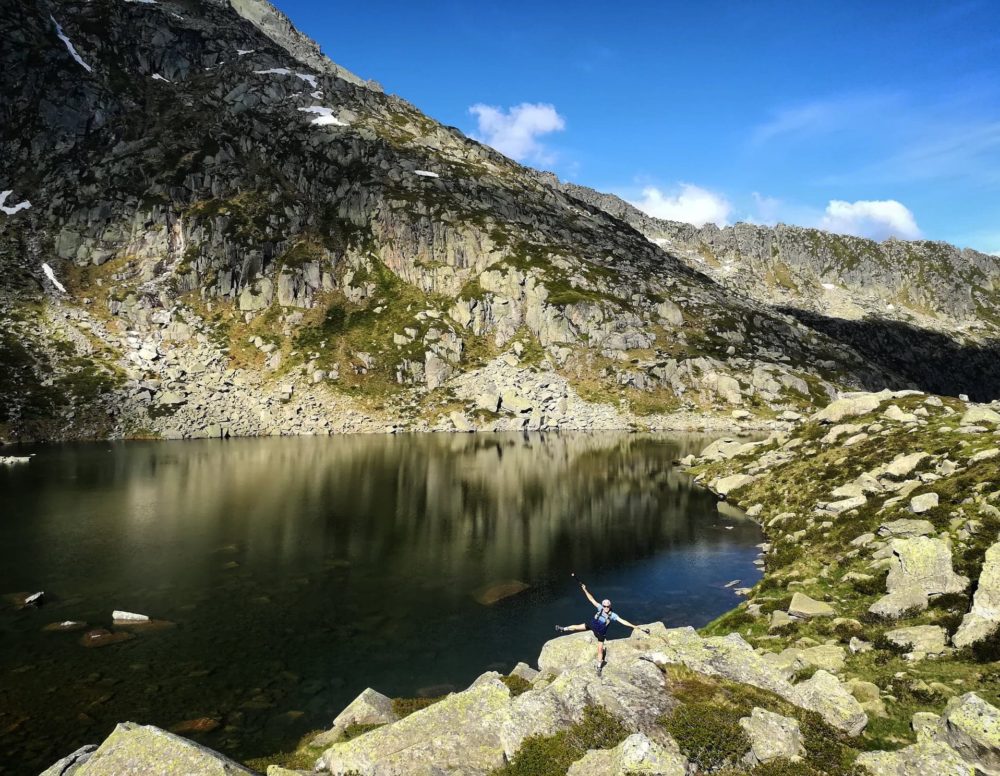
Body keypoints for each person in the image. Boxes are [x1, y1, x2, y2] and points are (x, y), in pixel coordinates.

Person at [555, 582, 651, 672]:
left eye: (607, 606)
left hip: (601, 632)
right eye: (604, 606)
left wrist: (634, 626)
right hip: (593, 625)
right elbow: (591, 599)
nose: (605, 608)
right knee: (577, 627)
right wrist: (585, 590)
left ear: (610, 606)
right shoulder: (600, 608)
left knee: (600, 649)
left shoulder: (613, 615)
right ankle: (563, 629)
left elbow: (623, 621)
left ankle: (599, 666)